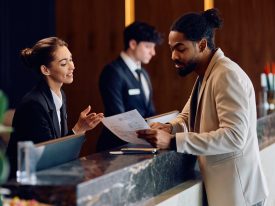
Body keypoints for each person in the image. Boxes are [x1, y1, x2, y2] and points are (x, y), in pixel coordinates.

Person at [137, 9, 269, 206]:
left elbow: (234, 136)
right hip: (225, 191)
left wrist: (173, 142)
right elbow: (188, 115)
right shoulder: (206, 74)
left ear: (202, 44)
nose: (173, 56)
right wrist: (169, 127)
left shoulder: (226, 75)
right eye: (172, 49)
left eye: (180, 49)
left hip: (240, 196)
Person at [6, 37, 104, 178]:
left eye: (70, 59)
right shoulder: (34, 104)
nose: (72, 66)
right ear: (45, 70)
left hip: (47, 176)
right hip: (24, 183)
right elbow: (51, 157)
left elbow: (56, 148)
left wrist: (80, 129)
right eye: (64, 63)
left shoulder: (60, 94)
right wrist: (78, 129)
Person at [97, 21, 163, 152]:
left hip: (142, 146)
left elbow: (150, 111)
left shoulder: (143, 73)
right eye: (148, 47)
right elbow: (117, 115)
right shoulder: (112, 71)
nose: (153, 52)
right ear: (133, 44)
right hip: (116, 147)